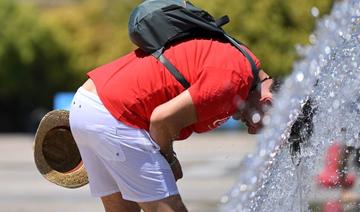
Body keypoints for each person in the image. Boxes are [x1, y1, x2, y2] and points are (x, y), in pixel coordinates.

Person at [69, 36, 274, 212]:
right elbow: (161, 119)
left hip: (86, 102)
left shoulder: (240, 63)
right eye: (262, 126)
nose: (251, 130)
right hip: (115, 114)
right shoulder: (233, 81)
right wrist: (169, 160)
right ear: (268, 102)